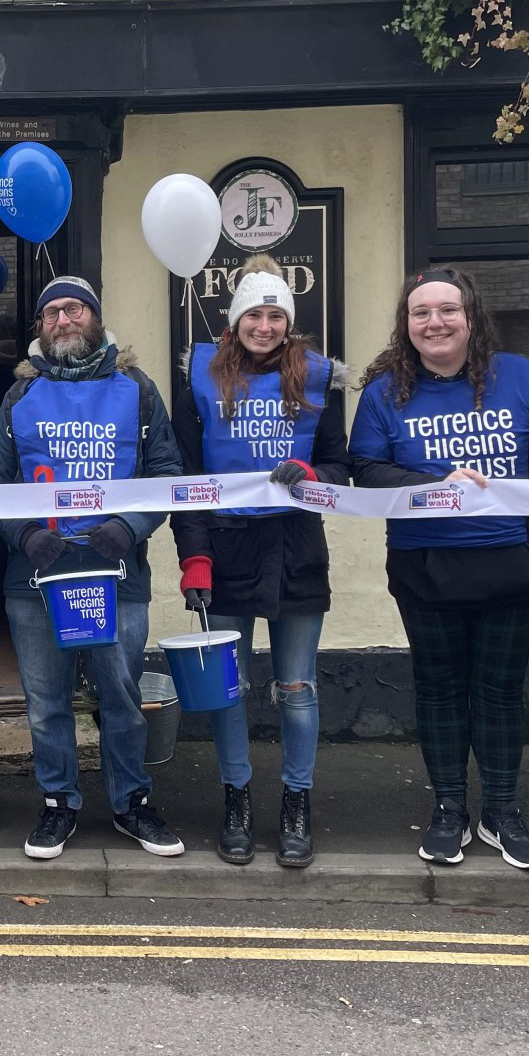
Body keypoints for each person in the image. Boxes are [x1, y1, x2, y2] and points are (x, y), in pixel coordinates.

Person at [349, 267, 529, 870]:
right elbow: (364, 469)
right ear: (407, 325)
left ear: (471, 318)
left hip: (506, 562)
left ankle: (501, 810)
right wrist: (433, 486)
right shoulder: (383, 392)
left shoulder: (519, 376)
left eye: (447, 310)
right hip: (425, 564)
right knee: (439, 690)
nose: (435, 322)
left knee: (500, 692)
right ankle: (449, 808)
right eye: (421, 313)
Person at [0, 275, 185, 861]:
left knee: (120, 695)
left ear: (95, 318)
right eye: (51, 314)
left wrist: (131, 527)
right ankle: (58, 803)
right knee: (46, 700)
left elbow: (165, 473)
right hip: (35, 577)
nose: (63, 319)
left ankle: (131, 802)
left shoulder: (138, 389)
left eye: (74, 309)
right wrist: (24, 535)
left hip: (116, 572)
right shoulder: (18, 396)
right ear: (41, 328)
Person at [171, 255, 350, 868]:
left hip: (297, 548)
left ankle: (297, 804)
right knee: (229, 689)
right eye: (254, 314)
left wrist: (312, 473)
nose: (265, 325)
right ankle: (236, 800)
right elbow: (187, 476)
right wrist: (193, 554)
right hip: (225, 550)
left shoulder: (318, 379)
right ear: (236, 320)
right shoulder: (201, 377)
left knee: (296, 689)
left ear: (289, 322)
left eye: (276, 315)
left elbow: (340, 465)